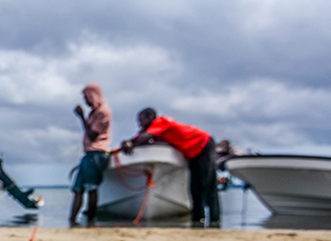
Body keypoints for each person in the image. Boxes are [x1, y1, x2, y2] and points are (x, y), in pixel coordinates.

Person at [121, 108, 219, 226]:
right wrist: (129, 142)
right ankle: (200, 221)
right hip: (194, 152)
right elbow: (142, 139)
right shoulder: (159, 130)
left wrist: (130, 143)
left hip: (202, 145)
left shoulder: (161, 121)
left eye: (141, 120)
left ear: (150, 117)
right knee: (196, 189)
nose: (139, 124)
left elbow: (143, 138)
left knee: (204, 188)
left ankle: (210, 222)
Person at [69, 83, 113, 226]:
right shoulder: (94, 113)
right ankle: (72, 220)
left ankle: (90, 221)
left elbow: (93, 135)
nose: (86, 101)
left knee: (91, 187)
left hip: (97, 153)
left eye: (87, 97)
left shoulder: (103, 112)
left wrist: (82, 117)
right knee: (78, 189)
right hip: (89, 153)